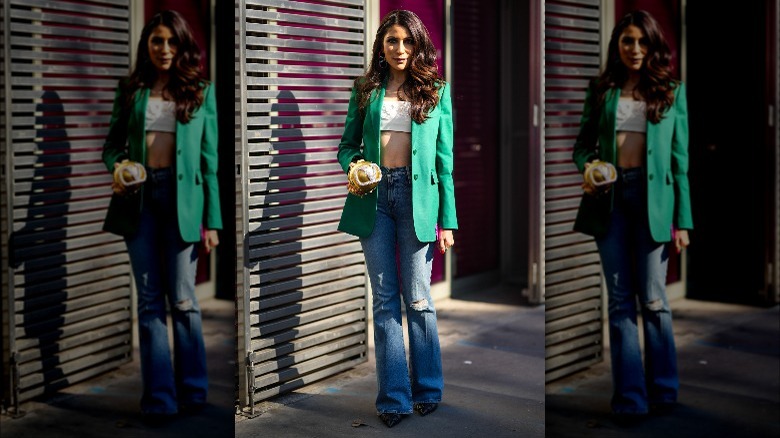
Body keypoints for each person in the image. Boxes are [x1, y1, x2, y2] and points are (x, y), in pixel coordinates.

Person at [336, 9, 457, 428]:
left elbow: (445, 163)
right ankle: (393, 398)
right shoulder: (365, 90)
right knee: (385, 300)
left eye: (407, 41)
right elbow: (347, 145)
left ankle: (428, 388)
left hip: (417, 198)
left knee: (419, 299)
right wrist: (354, 166)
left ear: (418, 44)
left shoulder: (436, 91)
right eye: (392, 41)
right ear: (381, 46)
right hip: (374, 197)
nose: (400, 49)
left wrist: (449, 222)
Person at [572, 10, 692, 421]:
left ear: (653, 45)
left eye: (642, 42)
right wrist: (589, 167)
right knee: (621, 302)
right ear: (617, 45)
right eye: (627, 41)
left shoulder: (672, 91)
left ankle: (664, 391)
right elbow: (582, 145)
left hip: (654, 201)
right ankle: (630, 399)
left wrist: (684, 222)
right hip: (610, 198)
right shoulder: (602, 89)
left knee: (655, 300)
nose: (635, 49)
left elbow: (680, 163)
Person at [102, 10, 221, 422]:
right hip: (138, 199)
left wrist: (214, 223)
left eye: (172, 41)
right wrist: (118, 166)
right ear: (146, 45)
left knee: (184, 300)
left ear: (183, 45)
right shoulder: (131, 89)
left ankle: (193, 392)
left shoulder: (201, 91)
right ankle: (159, 400)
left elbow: (210, 163)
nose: (165, 49)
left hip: (182, 200)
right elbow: (111, 145)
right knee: (150, 301)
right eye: (157, 41)